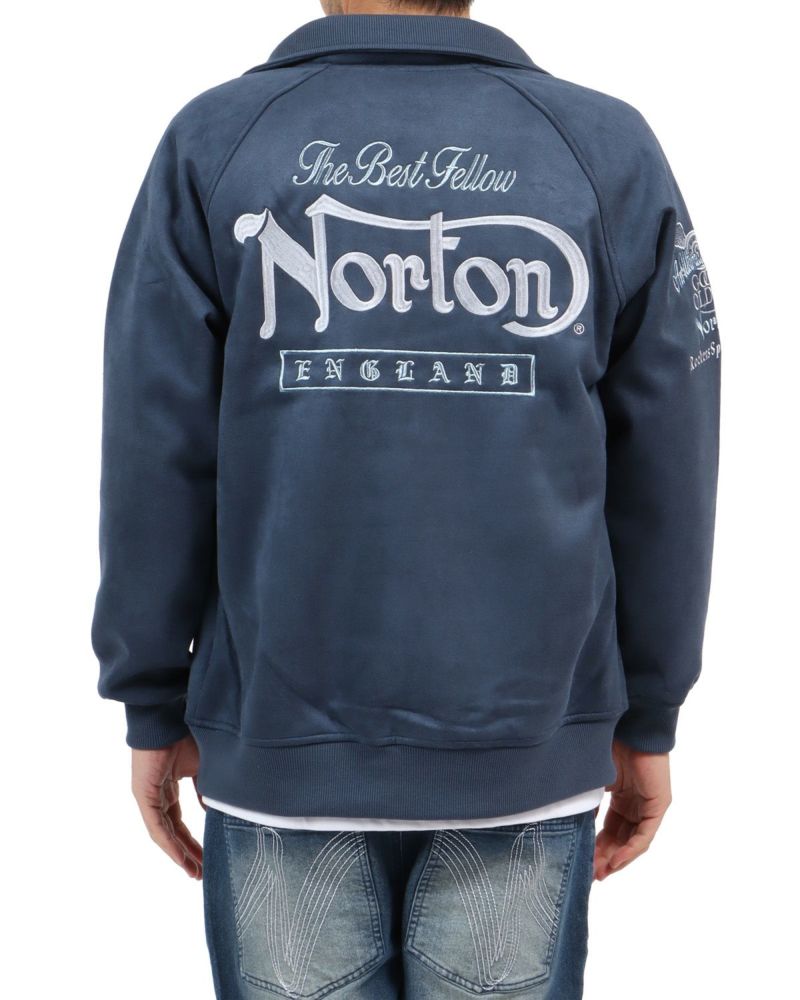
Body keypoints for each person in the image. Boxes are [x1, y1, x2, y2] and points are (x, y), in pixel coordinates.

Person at [91, 1, 721, 996]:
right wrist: (648, 715)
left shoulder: (218, 142)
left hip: (280, 748)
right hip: (525, 753)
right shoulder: (603, 149)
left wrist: (150, 700)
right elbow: (670, 463)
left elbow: (153, 446)